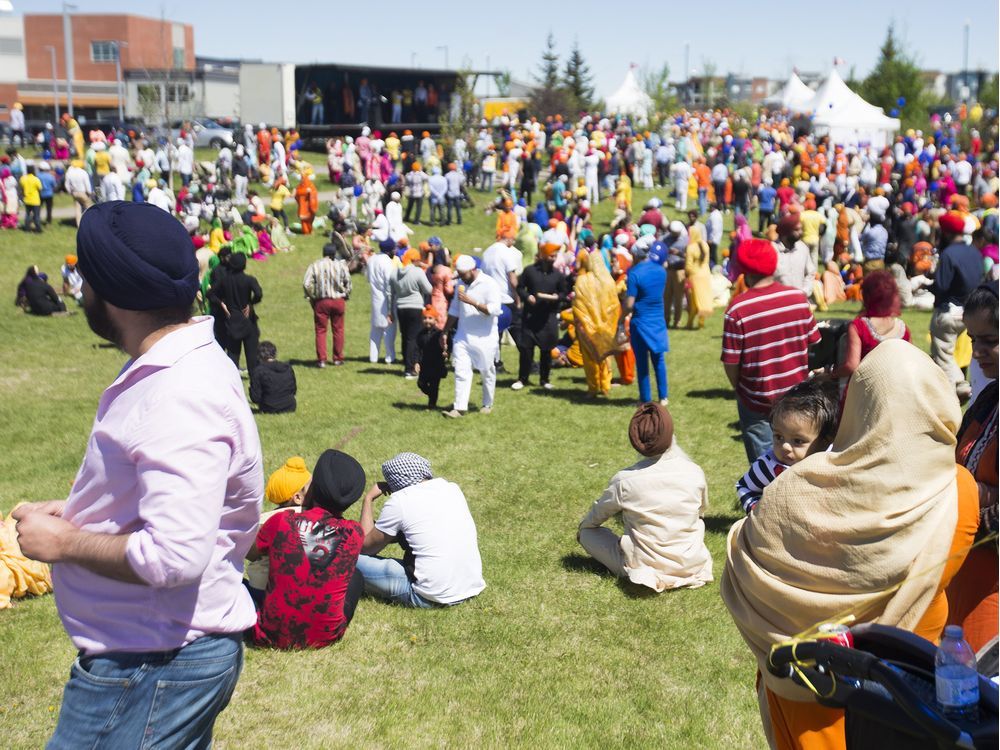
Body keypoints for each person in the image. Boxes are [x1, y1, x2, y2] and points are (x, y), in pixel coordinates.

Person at [12, 201, 261, 748]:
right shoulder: (177, 359)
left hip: (153, 663)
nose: (79, 291)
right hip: (154, 656)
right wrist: (83, 514)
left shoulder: (178, 393)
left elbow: (175, 555)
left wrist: (65, 542)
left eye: (85, 279)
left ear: (111, 296)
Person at [721, 340, 978, 750]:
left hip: (803, 684)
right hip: (912, 690)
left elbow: (745, 560)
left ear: (858, 403)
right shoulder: (958, 490)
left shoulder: (796, 488)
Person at [578, 402, 713, 591]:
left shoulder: (624, 480)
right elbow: (701, 512)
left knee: (586, 534)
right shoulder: (695, 472)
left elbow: (592, 522)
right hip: (690, 563)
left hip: (644, 568)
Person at [248, 450, 365, 649]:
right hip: (326, 637)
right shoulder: (355, 533)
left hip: (270, 636)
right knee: (357, 576)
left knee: (238, 585)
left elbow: (249, 553)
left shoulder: (282, 521)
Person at [722, 239, 820, 462]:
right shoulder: (797, 299)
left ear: (744, 270)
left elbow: (731, 363)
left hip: (756, 397)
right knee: (798, 457)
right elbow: (813, 340)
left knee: (764, 463)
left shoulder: (737, 309)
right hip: (796, 394)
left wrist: (739, 388)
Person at [356, 453, 486, 608]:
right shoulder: (452, 489)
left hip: (430, 596)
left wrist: (368, 498)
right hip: (470, 587)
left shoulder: (400, 501)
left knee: (344, 558)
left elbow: (365, 548)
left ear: (394, 482)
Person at [946, 281, 999, 655]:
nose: (976, 351)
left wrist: (968, 495)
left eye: (990, 340)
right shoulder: (989, 397)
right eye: (972, 339)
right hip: (964, 574)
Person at [735, 380, 838, 514]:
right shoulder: (768, 466)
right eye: (779, 437)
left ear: (825, 441)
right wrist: (755, 509)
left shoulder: (833, 462)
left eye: (797, 441)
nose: (785, 446)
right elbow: (744, 487)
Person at [926, 211, 985, 399]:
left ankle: (952, 393)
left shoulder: (948, 254)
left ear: (945, 233)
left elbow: (942, 285)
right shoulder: (974, 252)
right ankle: (961, 385)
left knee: (942, 355)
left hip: (949, 311)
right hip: (971, 312)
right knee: (948, 355)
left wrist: (929, 281)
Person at [245, 457, 311, 608]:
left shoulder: (263, 520)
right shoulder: (310, 515)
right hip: (298, 592)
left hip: (261, 589)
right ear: (298, 497)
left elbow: (250, 553)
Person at [823, 270, 911, 383]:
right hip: (896, 388)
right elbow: (909, 362)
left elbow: (852, 366)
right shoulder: (903, 329)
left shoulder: (859, 326)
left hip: (866, 391)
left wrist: (832, 374)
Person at [442, 255, 502, 418]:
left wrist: (473, 302)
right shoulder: (461, 283)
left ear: (473, 270)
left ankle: (487, 403)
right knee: (461, 371)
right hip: (463, 336)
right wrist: (445, 331)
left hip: (485, 337)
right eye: (459, 275)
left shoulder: (490, 284)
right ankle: (459, 408)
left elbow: (494, 310)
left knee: (486, 371)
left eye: (463, 274)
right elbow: (454, 309)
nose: (461, 278)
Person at [512, 244, 567, 391]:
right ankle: (522, 379)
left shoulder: (557, 275)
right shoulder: (530, 271)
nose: (553, 259)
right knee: (526, 350)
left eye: (555, 256)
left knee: (546, 351)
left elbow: (564, 294)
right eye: (551, 256)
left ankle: (544, 379)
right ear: (543, 255)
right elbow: (520, 287)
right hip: (530, 317)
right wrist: (527, 297)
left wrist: (557, 297)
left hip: (548, 318)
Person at [621, 242, 669, 404]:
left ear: (634, 255)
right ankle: (663, 396)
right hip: (658, 320)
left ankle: (645, 399)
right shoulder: (661, 271)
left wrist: (621, 318)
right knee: (659, 360)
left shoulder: (634, 274)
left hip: (640, 321)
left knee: (642, 363)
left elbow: (629, 305)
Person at [572, 249, 620, 397]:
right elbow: (615, 305)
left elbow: (578, 304)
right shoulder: (609, 281)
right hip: (607, 326)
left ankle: (593, 387)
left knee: (589, 357)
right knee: (605, 356)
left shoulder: (582, 280)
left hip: (588, 327)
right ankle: (605, 386)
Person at [209, 252, 263, 373]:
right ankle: (254, 380)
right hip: (248, 321)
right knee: (252, 357)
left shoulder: (224, 281)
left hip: (232, 321)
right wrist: (251, 303)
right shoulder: (249, 280)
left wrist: (221, 303)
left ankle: (233, 380)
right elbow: (258, 294)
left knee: (233, 356)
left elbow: (210, 294)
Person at [303, 244, 352, 368]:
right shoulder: (341, 265)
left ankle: (322, 360)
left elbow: (306, 283)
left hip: (321, 301)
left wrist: (312, 296)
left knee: (320, 331)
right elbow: (348, 283)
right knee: (338, 330)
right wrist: (346, 293)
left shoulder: (315, 265)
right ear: (334, 253)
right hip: (338, 300)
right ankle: (337, 358)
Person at [391, 257, 433, 378]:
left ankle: (406, 362)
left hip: (400, 307)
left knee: (405, 336)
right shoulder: (417, 272)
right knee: (413, 338)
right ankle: (410, 369)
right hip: (415, 307)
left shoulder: (394, 273)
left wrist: (390, 311)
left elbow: (390, 293)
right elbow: (429, 289)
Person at [366, 239, 397, 364]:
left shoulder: (371, 259)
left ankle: (373, 357)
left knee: (375, 331)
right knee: (389, 329)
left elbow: (368, 278)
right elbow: (390, 284)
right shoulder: (387, 262)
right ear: (390, 250)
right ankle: (390, 356)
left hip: (375, 297)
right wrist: (390, 308)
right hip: (386, 298)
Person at [249, 341, 297, 414]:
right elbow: (293, 390)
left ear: (259, 356)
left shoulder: (258, 371)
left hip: (269, 408)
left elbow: (255, 397)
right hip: (290, 406)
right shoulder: (287, 368)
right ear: (275, 353)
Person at [416, 305, 448, 409]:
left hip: (437, 364)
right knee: (421, 383)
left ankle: (432, 405)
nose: (427, 320)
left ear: (436, 320)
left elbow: (447, 346)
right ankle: (431, 394)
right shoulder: (420, 334)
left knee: (434, 385)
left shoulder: (439, 334)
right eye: (425, 318)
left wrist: (446, 352)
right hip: (425, 364)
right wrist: (416, 362)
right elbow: (417, 349)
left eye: (430, 318)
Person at [684, 225, 714, 329]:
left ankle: (689, 323)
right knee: (704, 299)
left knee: (694, 302)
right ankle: (701, 323)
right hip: (706, 274)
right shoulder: (705, 245)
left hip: (695, 276)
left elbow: (688, 266)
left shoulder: (690, 248)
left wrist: (686, 275)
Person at [19, 164, 43, 233]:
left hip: (26, 199)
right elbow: (40, 189)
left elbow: (21, 188)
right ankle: (38, 229)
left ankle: (27, 228)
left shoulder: (23, 179)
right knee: (36, 216)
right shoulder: (36, 179)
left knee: (27, 214)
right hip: (35, 200)